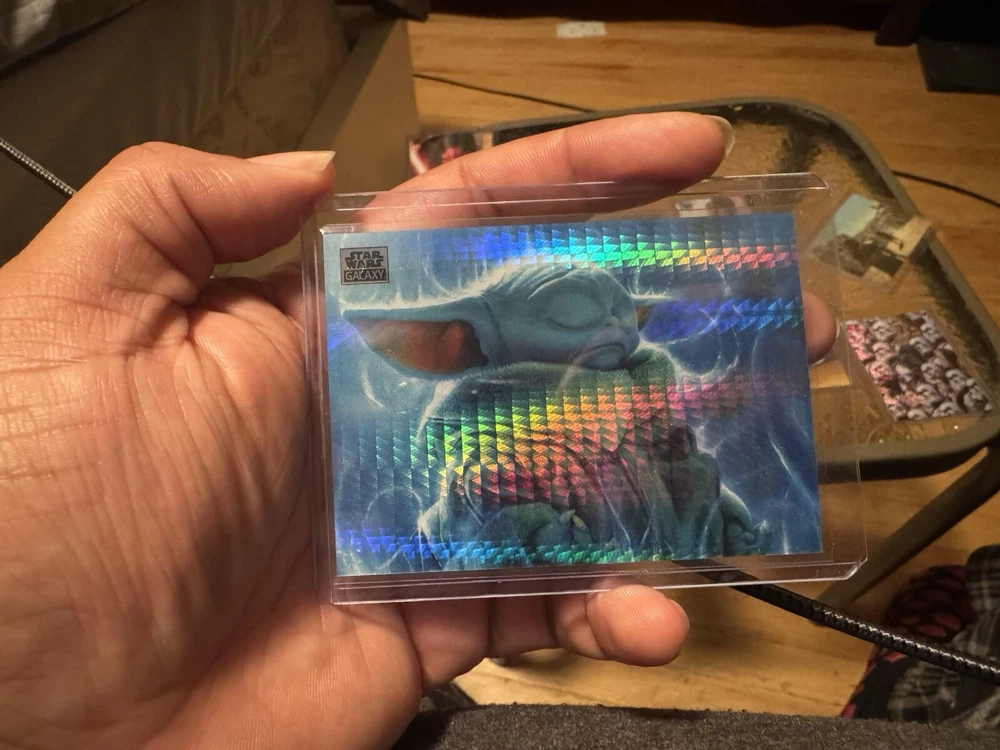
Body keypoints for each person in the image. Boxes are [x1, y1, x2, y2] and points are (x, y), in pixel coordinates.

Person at [0, 113, 837, 749]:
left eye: (624, 310)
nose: (617, 323)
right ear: (466, 341)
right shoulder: (479, 412)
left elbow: (692, 453)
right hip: (528, 528)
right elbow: (487, 507)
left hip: (655, 511)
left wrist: (723, 495)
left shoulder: (646, 384)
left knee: (684, 528)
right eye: (576, 311)